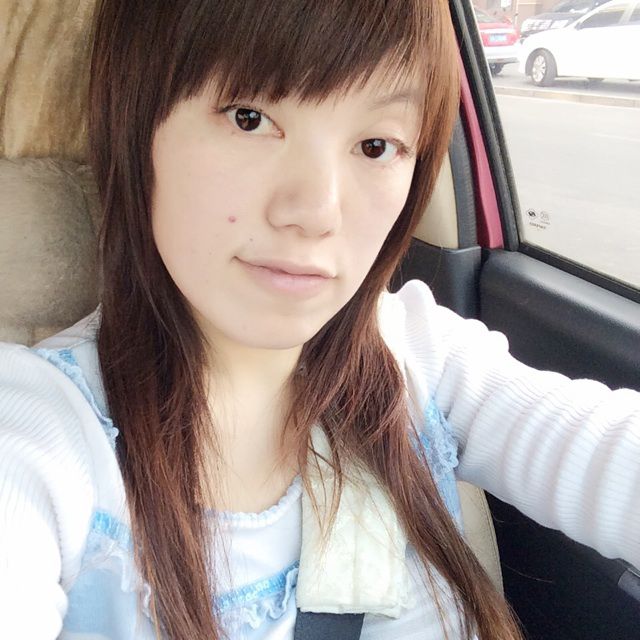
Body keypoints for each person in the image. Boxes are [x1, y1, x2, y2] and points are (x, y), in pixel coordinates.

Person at [0, 0, 638, 639]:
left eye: (375, 145)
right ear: (136, 127)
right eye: (249, 118)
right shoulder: (39, 429)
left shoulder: (421, 357)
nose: (315, 211)